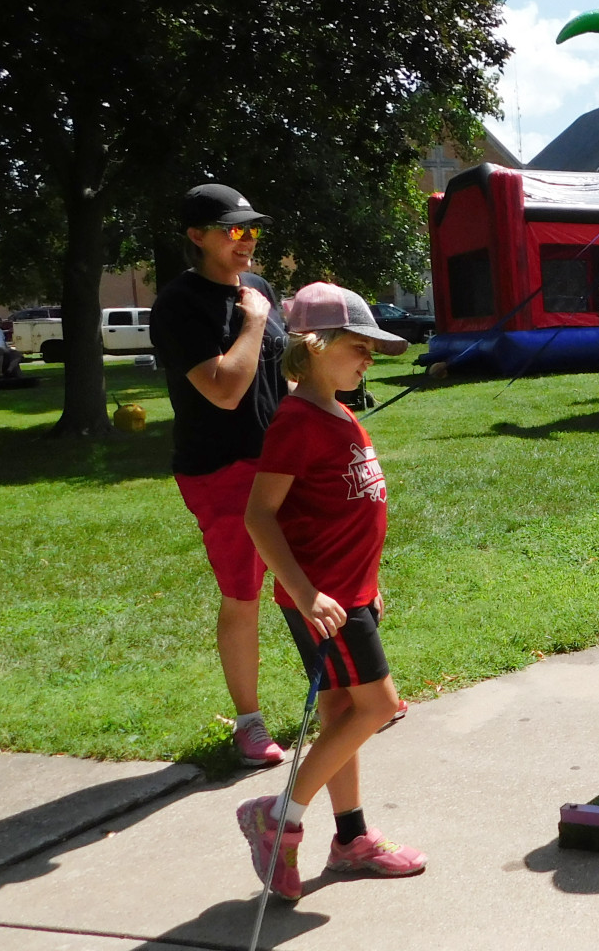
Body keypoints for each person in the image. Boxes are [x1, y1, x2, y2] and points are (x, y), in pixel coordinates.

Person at [237, 281, 425, 900]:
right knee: (379, 706)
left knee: (343, 711)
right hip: (324, 602)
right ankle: (279, 816)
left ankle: (351, 838)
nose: (368, 359)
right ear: (316, 345)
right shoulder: (297, 421)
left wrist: (370, 584)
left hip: (350, 594)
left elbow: (350, 509)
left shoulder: (339, 412)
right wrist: (306, 592)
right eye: (358, 346)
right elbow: (259, 515)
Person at [151, 184, 293, 767]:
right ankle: (249, 724)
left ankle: (352, 690)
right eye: (235, 229)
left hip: (280, 458)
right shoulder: (179, 304)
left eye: (252, 229)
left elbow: (280, 374)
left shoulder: (259, 288)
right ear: (197, 236)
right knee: (244, 593)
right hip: (222, 469)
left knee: (316, 571)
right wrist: (253, 323)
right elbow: (226, 389)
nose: (247, 239)